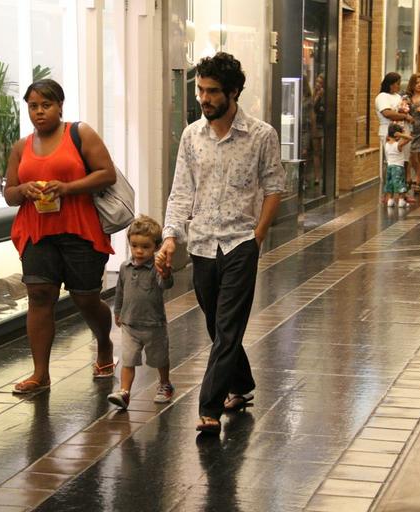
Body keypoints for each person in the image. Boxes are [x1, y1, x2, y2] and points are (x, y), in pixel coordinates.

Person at [155, 52, 285, 434]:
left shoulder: (261, 135)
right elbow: (181, 192)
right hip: (201, 245)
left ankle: (209, 408)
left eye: (212, 91)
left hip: (240, 242)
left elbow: (275, 188)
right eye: (200, 90)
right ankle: (241, 384)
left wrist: (257, 236)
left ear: (233, 93)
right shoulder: (191, 136)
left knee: (229, 327)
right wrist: (169, 239)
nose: (204, 98)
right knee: (216, 324)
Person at [4, 79, 119, 393]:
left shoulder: (80, 134)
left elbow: (106, 173)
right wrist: (23, 190)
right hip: (37, 232)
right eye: (33, 106)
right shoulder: (21, 147)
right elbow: (9, 194)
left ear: (60, 106)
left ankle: (104, 344)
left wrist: (67, 188)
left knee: (86, 298)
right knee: (39, 296)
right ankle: (40, 373)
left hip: (80, 229)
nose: (39, 112)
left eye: (46, 105)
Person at [107, 215, 175, 410]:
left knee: (159, 358)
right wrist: (118, 311)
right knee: (128, 359)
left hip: (154, 325)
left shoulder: (156, 267)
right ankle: (124, 392)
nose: (138, 251)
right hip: (130, 324)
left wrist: (165, 272)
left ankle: (164, 384)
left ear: (156, 247)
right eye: (134, 245)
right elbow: (120, 291)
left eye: (145, 247)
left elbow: (166, 284)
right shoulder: (124, 267)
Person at [375, 72, 414, 187]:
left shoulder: (398, 97)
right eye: (397, 84)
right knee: (393, 161)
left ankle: (402, 189)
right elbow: (387, 113)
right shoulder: (382, 97)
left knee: (404, 160)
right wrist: (405, 116)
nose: (399, 86)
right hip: (389, 130)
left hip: (402, 130)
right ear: (390, 84)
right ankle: (390, 190)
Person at [384, 124, 412, 208]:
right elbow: (410, 138)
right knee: (400, 184)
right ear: (397, 135)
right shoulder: (398, 145)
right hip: (398, 168)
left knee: (390, 183)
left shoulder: (386, 144)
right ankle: (401, 201)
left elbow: (388, 135)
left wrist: (394, 131)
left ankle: (390, 200)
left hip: (389, 167)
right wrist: (402, 134)